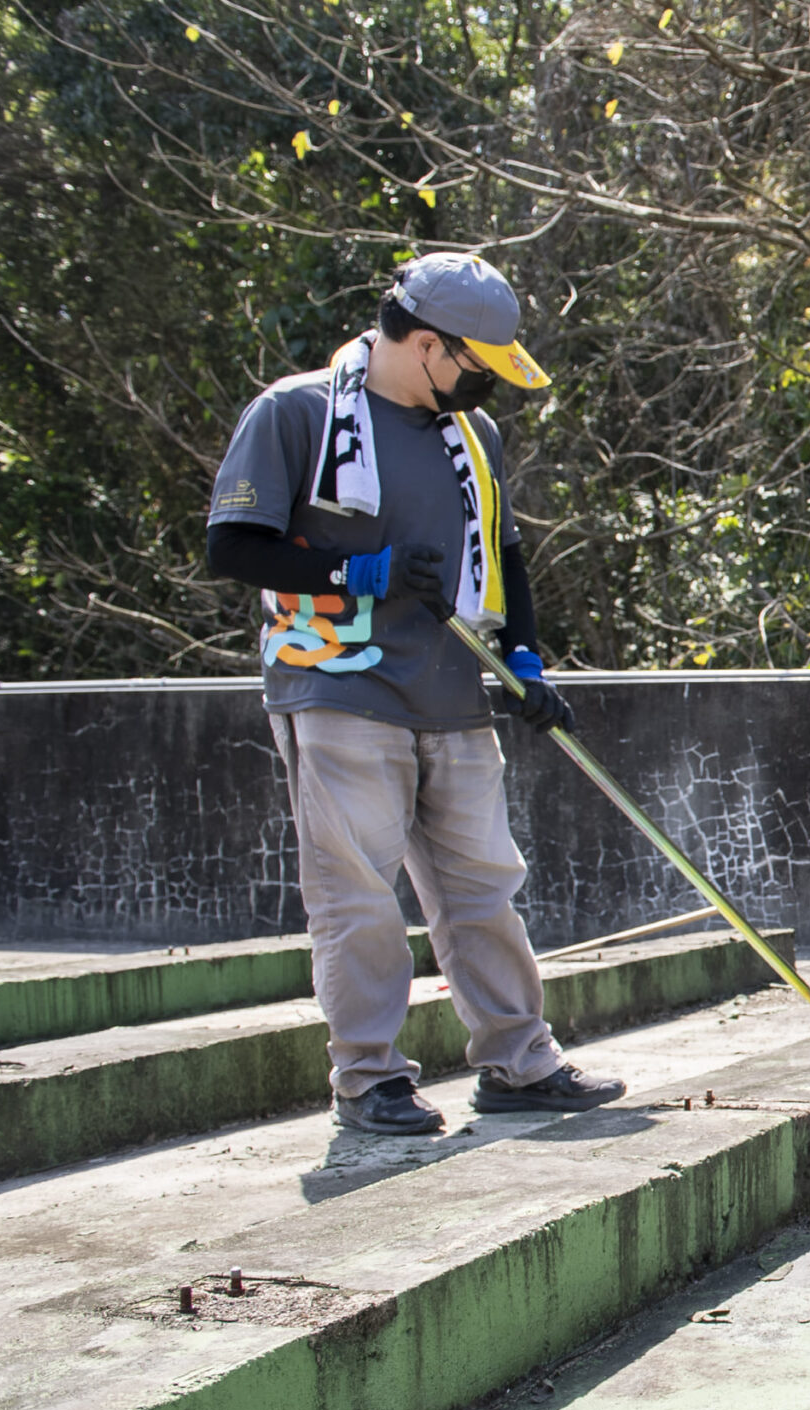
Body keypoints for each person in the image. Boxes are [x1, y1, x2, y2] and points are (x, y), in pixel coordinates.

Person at [206, 252, 624, 1136]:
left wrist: (528, 663)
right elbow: (235, 547)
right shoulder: (297, 413)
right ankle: (369, 1079)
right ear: (429, 345)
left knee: (483, 885)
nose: (487, 390)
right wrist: (360, 570)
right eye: (477, 369)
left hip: (453, 690)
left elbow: (503, 553)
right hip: (338, 684)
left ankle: (519, 1061)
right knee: (356, 893)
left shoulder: (472, 438)